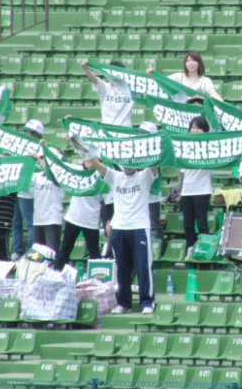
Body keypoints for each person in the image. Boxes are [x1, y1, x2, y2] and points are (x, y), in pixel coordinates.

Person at [88, 154, 159, 315]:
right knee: (122, 269)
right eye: (126, 161)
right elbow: (96, 164)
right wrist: (80, 146)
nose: (128, 165)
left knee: (143, 267)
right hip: (119, 227)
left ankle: (148, 302)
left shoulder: (144, 176)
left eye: (132, 161)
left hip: (139, 227)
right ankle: (123, 302)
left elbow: (156, 163)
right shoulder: (115, 176)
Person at [55, 163, 105, 270]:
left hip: (91, 221)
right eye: (84, 156)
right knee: (64, 250)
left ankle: (99, 281)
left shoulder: (101, 174)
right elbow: (55, 166)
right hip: (73, 218)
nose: (86, 159)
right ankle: (57, 275)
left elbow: (108, 200)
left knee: (94, 254)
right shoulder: (76, 169)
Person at [11, 119, 45, 260]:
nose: (26, 134)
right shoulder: (21, 147)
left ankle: (29, 253)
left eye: (30, 132)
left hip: (31, 190)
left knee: (31, 224)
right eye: (25, 131)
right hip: (20, 188)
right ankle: (17, 252)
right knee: (16, 223)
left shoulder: (43, 149)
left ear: (37, 134)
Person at [179, 117, 213, 253]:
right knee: (188, 224)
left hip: (202, 190)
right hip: (187, 190)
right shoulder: (185, 147)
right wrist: (180, 187)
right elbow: (181, 171)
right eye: (192, 127)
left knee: (202, 223)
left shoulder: (210, 147)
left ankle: (205, 251)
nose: (194, 130)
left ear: (204, 130)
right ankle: (190, 250)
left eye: (198, 127)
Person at [81, 59, 134, 127]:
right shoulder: (105, 87)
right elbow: (94, 78)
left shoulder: (131, 89)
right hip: (107, 132)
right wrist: (86, 68)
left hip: (125, 132)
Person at [31, 152, 65, 254]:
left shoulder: (61, 175)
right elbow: (22, 175)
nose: (43, 159)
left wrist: (38, 159)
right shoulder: (37, 176)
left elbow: (52, 173)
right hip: (38, 220)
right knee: (38, 255)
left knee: (52, 253)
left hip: (52, 220)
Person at [140, 122, 163, 241]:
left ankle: (156, 248)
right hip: (138, 193)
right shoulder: (136, 150)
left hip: (152, 193)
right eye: (141, 133)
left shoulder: (157, 151)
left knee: (153, 224)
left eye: (145, 133)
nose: (142, 135)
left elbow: (154, 172)